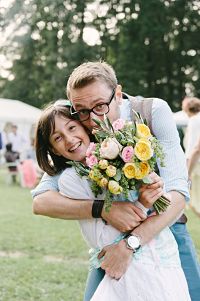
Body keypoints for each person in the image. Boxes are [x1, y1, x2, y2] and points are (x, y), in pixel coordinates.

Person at [32, 61, 200, 301]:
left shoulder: (152, 111)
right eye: (81, 110)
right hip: (111, 239)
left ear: (118, 94)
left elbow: (178, 194)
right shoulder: (79, 124)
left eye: (100, 106)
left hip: (165, 229)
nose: (91, 120)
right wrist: (104, 209)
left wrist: (130, 244)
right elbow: (41, 202)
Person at [183, 97, 200, 215]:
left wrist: (187, 173)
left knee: (195, 203)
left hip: (196, 167)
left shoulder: (194, 120)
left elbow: (194, 149)